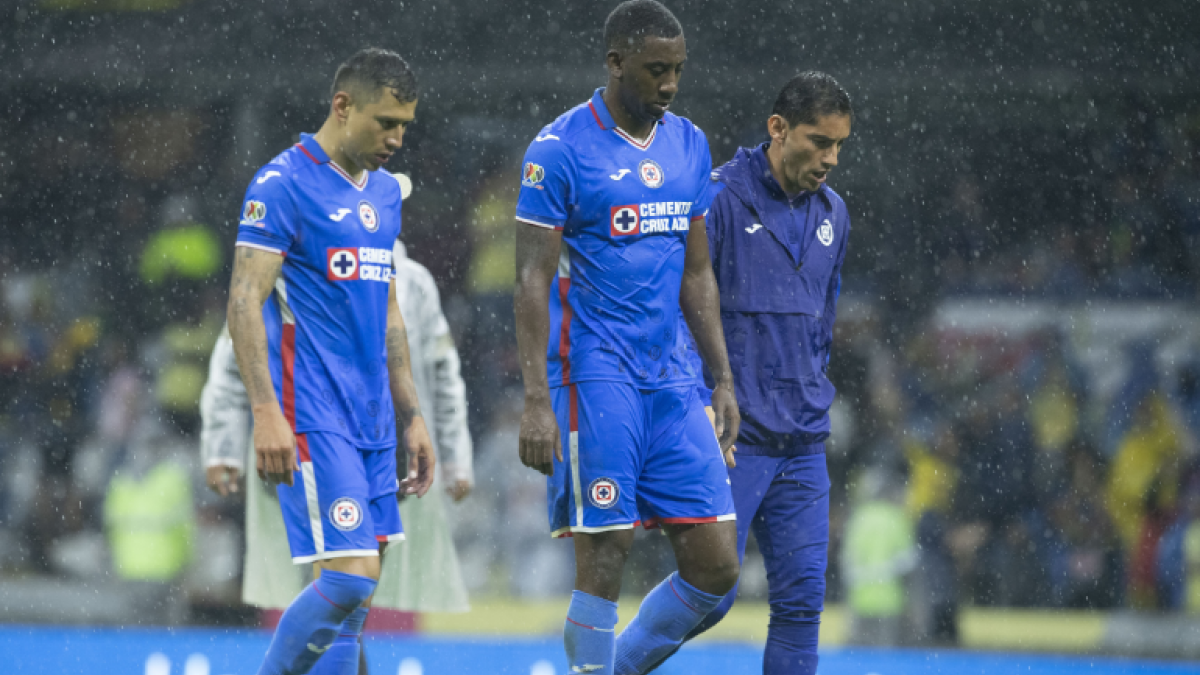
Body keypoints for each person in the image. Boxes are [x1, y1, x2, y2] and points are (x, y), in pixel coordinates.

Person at [512, 2, 742, 673]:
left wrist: (721, 376)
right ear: (615, 63)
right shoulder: (557, 151)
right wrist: (534, 398)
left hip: (671, 377)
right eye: (655, 70)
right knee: (605, 546)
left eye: (677, 70)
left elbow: (697, 272)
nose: (670, 84)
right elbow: (531, 281)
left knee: (717, 567)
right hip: (593, 370)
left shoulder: (688, 144)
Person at [225, 48, 435, 675]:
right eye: (386, 122)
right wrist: (265, 412)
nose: (396, 139)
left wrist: (412, 417)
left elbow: (389, 313)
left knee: (356, 601)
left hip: (371, 418)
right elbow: (242, 302)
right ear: (342, 107)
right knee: (348, 578)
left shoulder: (384, 196)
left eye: (405, 126)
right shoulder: (281, 184)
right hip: (312, 411)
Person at [654, 72, 854, 674]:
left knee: (800, 608)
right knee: (711, 594)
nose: (831, 159)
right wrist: (698, 405)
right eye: (819, 142)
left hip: (803, 443)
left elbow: (823, 318)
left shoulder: (834, 214)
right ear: (777, 128)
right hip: (730, 436)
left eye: (840, 145)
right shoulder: (714, 197)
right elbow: (678, 311)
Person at [202, 238, 474, 630]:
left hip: (384, 453)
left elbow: (443, 371)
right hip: (303, 445)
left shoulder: (413, 281)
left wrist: (454, 456)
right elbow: (234, 356)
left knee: (355, 594)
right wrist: (222, 447)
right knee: (331, 586)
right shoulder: (296, 266)